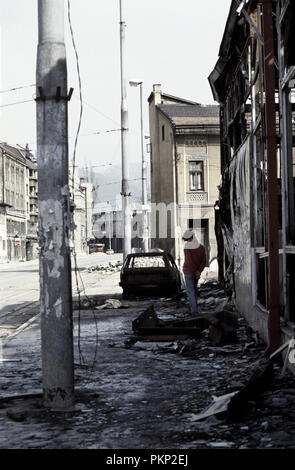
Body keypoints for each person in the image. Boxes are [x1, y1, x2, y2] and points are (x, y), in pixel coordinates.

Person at [182, 229, 206, 316]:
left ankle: (194, 312)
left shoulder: (187, 247)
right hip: (196, 273)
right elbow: (203, 261)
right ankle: (193, 309)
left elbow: (189, 261)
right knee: (194, 291)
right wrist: (199, 271)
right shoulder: (201, 247)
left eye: (186, 239)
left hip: (189, 272)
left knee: (191, 292)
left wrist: (195, 271)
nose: (186, 241)